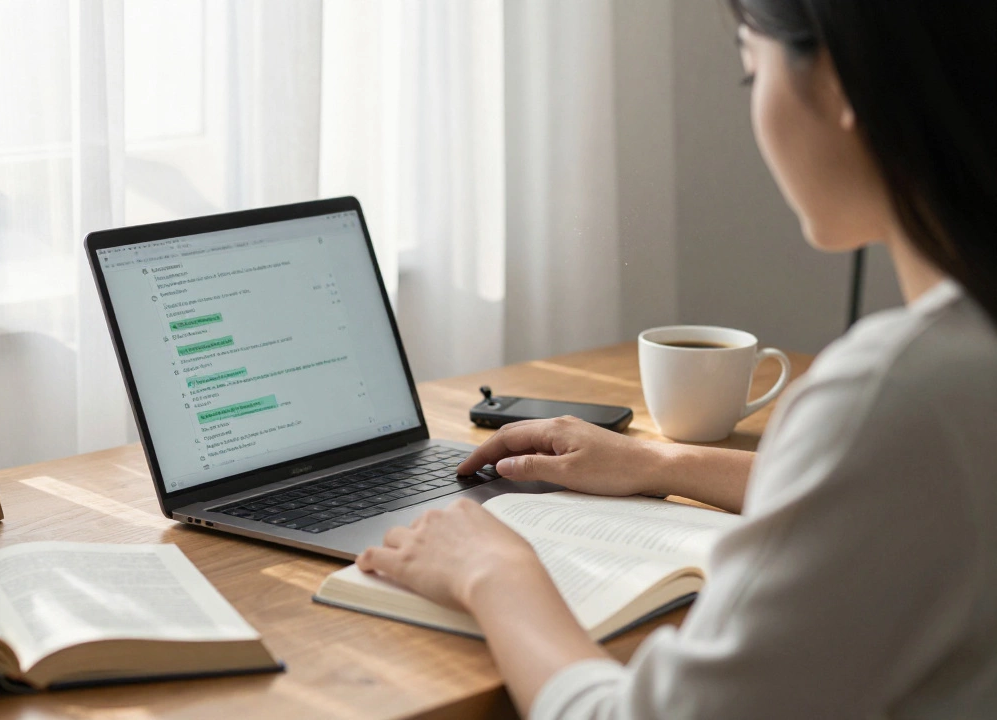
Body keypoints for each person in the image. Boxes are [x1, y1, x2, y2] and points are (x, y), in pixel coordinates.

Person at [357, 0, 997, 717]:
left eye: (751, 74)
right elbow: (904, 488)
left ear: (837, 85)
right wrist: (663, 465)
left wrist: (495, 571)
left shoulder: (899, 391)